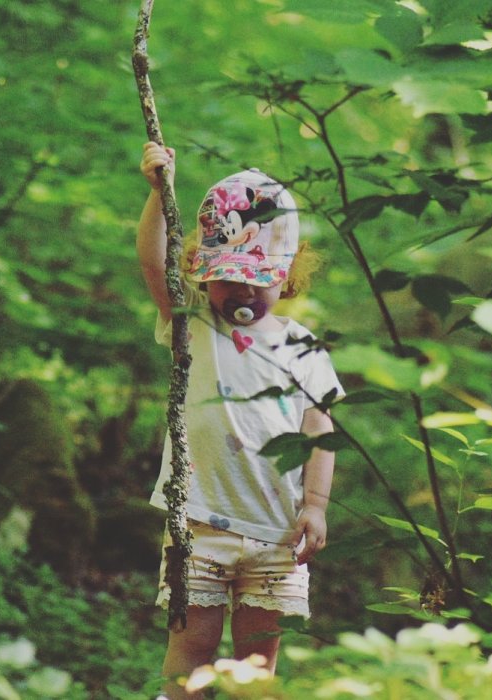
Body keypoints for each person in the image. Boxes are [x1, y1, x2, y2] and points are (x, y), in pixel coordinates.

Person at [137, 142, 344, 700]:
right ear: (204, 276)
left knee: (256, 666)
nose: (243, 290)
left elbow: (319, 430)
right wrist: (160, 195)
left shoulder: (303, 347)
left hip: (279, 535)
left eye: (258, 278)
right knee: (190, 655)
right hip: (200, 524)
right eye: (227, 278)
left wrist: (316, 506)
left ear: (289, 276)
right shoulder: (192, 326)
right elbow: (154, 266)